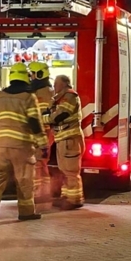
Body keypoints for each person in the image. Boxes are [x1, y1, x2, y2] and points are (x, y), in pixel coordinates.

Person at [0, 62, 46, 224]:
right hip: (21, 146)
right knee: (24, 180)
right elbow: (34, 122)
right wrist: (43, 144)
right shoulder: (28, 97)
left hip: (0, 145)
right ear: (26, 77)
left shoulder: (0, 96)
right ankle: (26, 212)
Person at [50, 74, 84, 209]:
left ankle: (75, 199)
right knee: (64, 170)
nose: (54, 87)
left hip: (70, 139)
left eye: (56, 84)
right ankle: (66, 196)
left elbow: (61, 115)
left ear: (64, 84)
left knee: (71, 171)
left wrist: (45, 119)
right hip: (63, 139)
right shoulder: (59, 98)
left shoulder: (70, 96)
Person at [27, 61, 54, 210]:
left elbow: (40, 116)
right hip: (41, 133)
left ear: (39, 75)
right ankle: (43, 192)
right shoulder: (44, 90)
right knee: (40, 163)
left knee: (38, 163)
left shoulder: (43, 93)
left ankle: (39, 193)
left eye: (32, 74)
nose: (30, 78)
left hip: (42, 133)